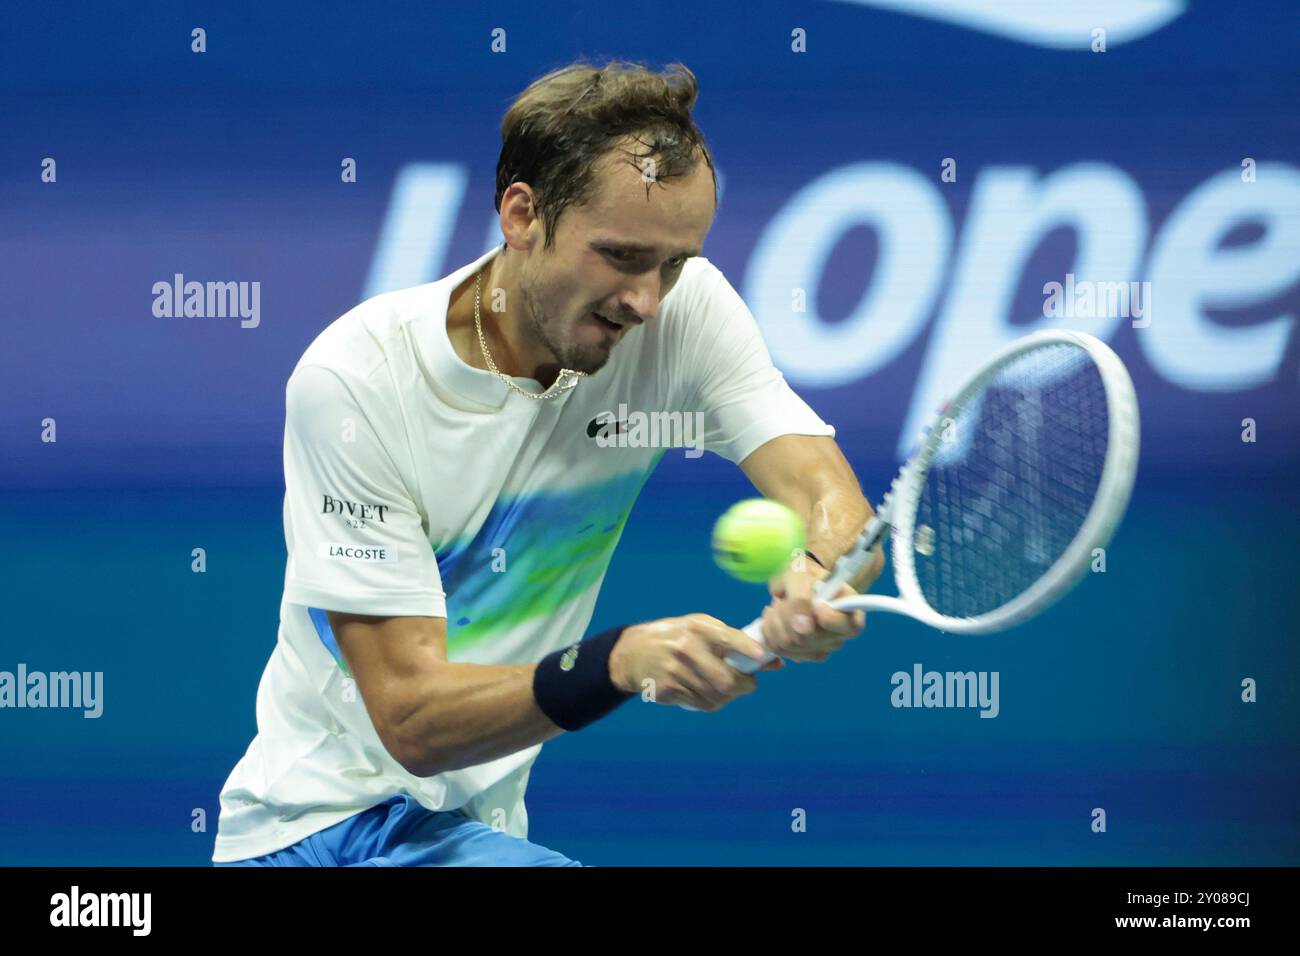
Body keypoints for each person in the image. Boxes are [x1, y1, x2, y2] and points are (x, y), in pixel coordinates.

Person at [213, 58, 882, 867]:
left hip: (473, 835)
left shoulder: (685, 315)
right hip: (323, 832)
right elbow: (414, 720)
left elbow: (831, 499)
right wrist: (618, 661)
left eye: (675, 262)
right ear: (522, 213)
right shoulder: (358, 380)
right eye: (622, 255)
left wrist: (821, 573)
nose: (647, 299)